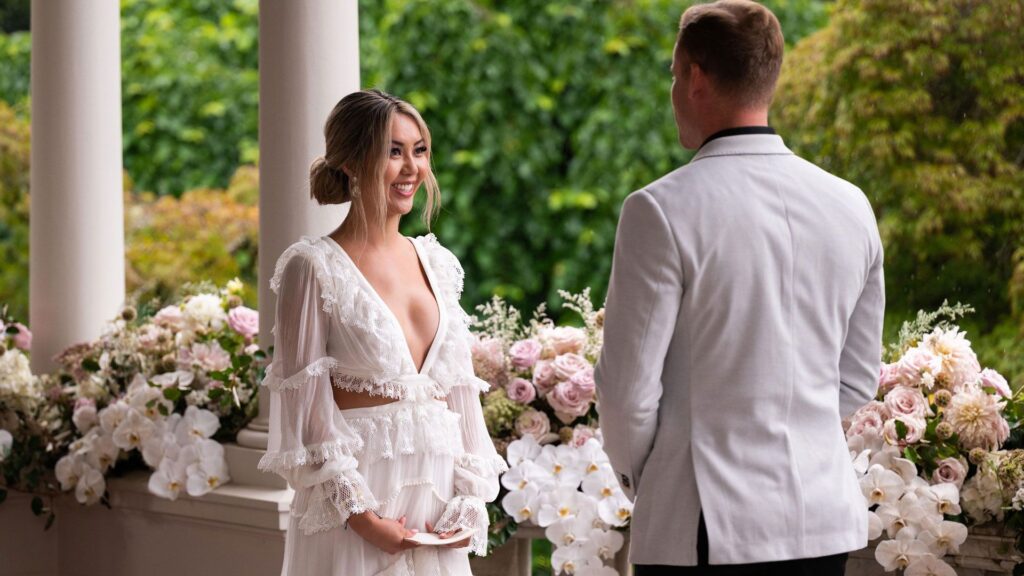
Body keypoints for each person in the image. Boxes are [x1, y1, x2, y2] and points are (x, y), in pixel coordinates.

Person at [594, 1, 884, 574]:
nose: (674, 91)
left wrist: (650, 477)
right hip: (822, 522)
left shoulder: (660, 209)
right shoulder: (851, 205)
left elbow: (628, 392)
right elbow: (856, 380)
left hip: (707, 522)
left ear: (695, 77)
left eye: (674, 76)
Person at [259, 89, 507, 576]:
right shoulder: (312, 267)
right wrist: (362, 518)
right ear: (351, 162)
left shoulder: (437, 263)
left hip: (437, 513)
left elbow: (460, 395)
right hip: (357, 509)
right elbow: (305, 406)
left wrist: (472, 500)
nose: (412, 167)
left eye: (419, 150)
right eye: (394, 151)